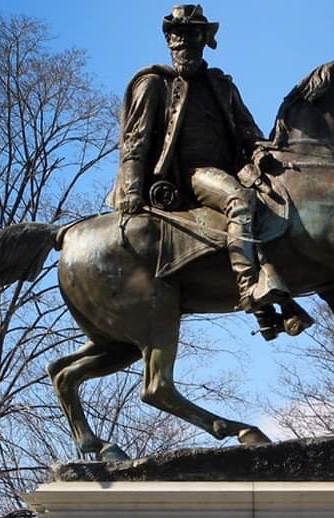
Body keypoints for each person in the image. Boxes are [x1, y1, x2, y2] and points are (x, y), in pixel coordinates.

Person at [108, 4, 288, 313]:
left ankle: (278, 298)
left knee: (282, 201)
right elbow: (135, 140)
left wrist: (260, 152)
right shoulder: (154, 83)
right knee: (240, 201)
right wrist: (133, 188)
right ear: (169, 43)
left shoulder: (222, 85)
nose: (184, 45)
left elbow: (247, 130)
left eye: (192, 37)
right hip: (189, 173)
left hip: (236, 168)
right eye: (178, 38)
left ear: (204, 41)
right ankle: (248, 288)